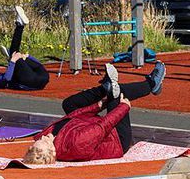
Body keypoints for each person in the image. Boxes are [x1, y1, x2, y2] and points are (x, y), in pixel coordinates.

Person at [23, 61, 166, 164]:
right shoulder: (75, 144)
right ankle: (151, 84)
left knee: (69, 104)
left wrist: (98, 105)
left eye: (40, 141)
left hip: (88, 125)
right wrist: (123, 107)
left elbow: (74, 118)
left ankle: (106, 88)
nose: (42, 137)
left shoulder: (47, 137)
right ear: (52, 152)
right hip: (116, 138)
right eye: (45, 142)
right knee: (117, 94)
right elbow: (102, 127)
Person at [0, 5, 49, 91]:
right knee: (14, 53)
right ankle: (19, 25)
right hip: (31, 81)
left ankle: (19, 27)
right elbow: (7, 78)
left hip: (43, 78)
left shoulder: (13, 73)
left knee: (17, 55)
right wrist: (12, 61)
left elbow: (39, 65)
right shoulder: (2, 82)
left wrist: (27, 57)